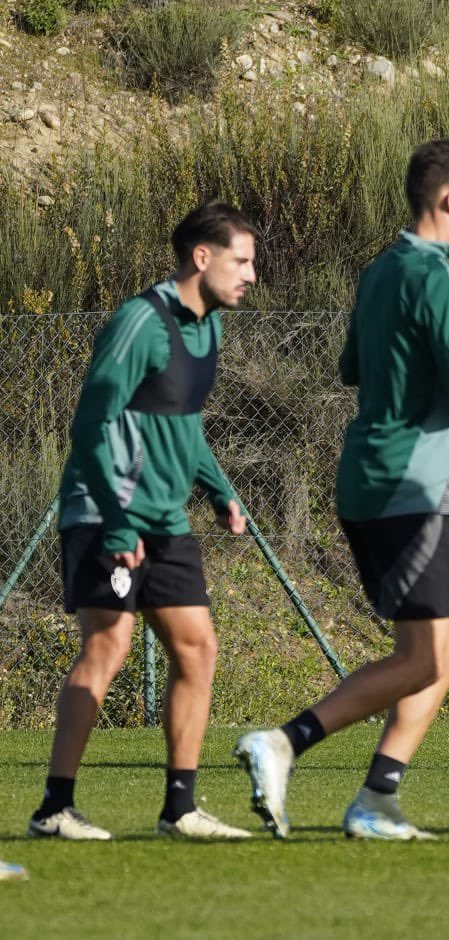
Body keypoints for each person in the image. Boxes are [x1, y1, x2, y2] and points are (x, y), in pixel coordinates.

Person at [233, 138, 449, 840]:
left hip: (372, 479)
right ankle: (284, 743)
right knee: (423, 656)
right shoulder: (442, 272)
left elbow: (353, 365)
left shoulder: (382, 269)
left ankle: (377, 800)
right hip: (408, 487)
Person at [29, 202, 259, 841]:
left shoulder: (208, 328)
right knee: (108, 645)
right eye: (241, 260)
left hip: (164, 520)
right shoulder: (141, 321)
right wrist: (115, 521)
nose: (251, 275)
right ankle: (54, 808)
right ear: (201, 257)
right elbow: (89, 425)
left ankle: (179, 810)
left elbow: (182, 422)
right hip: (108, 512)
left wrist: (220, 491)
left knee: (198, 647)